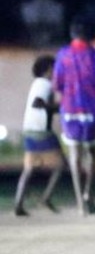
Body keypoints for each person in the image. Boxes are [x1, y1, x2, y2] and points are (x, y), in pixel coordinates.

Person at [53, 19, 95, 217]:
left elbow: (57, 83)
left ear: (72, 35)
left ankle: (79, 202)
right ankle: (88, 193)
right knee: (91, 154)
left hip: (69, 109)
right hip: (91, 109)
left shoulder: (63, 55)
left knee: (74, 154)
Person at [14, 54, 64, 217]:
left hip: (28, 130)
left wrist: (55, 108)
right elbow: (38, 103)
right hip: (42, 131)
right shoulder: (45, 84)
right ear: (48, 69)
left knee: (28, 169)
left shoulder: (36, 83)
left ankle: (18, 204)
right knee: (60, 165)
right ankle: (46, 197)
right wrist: (58, 106)